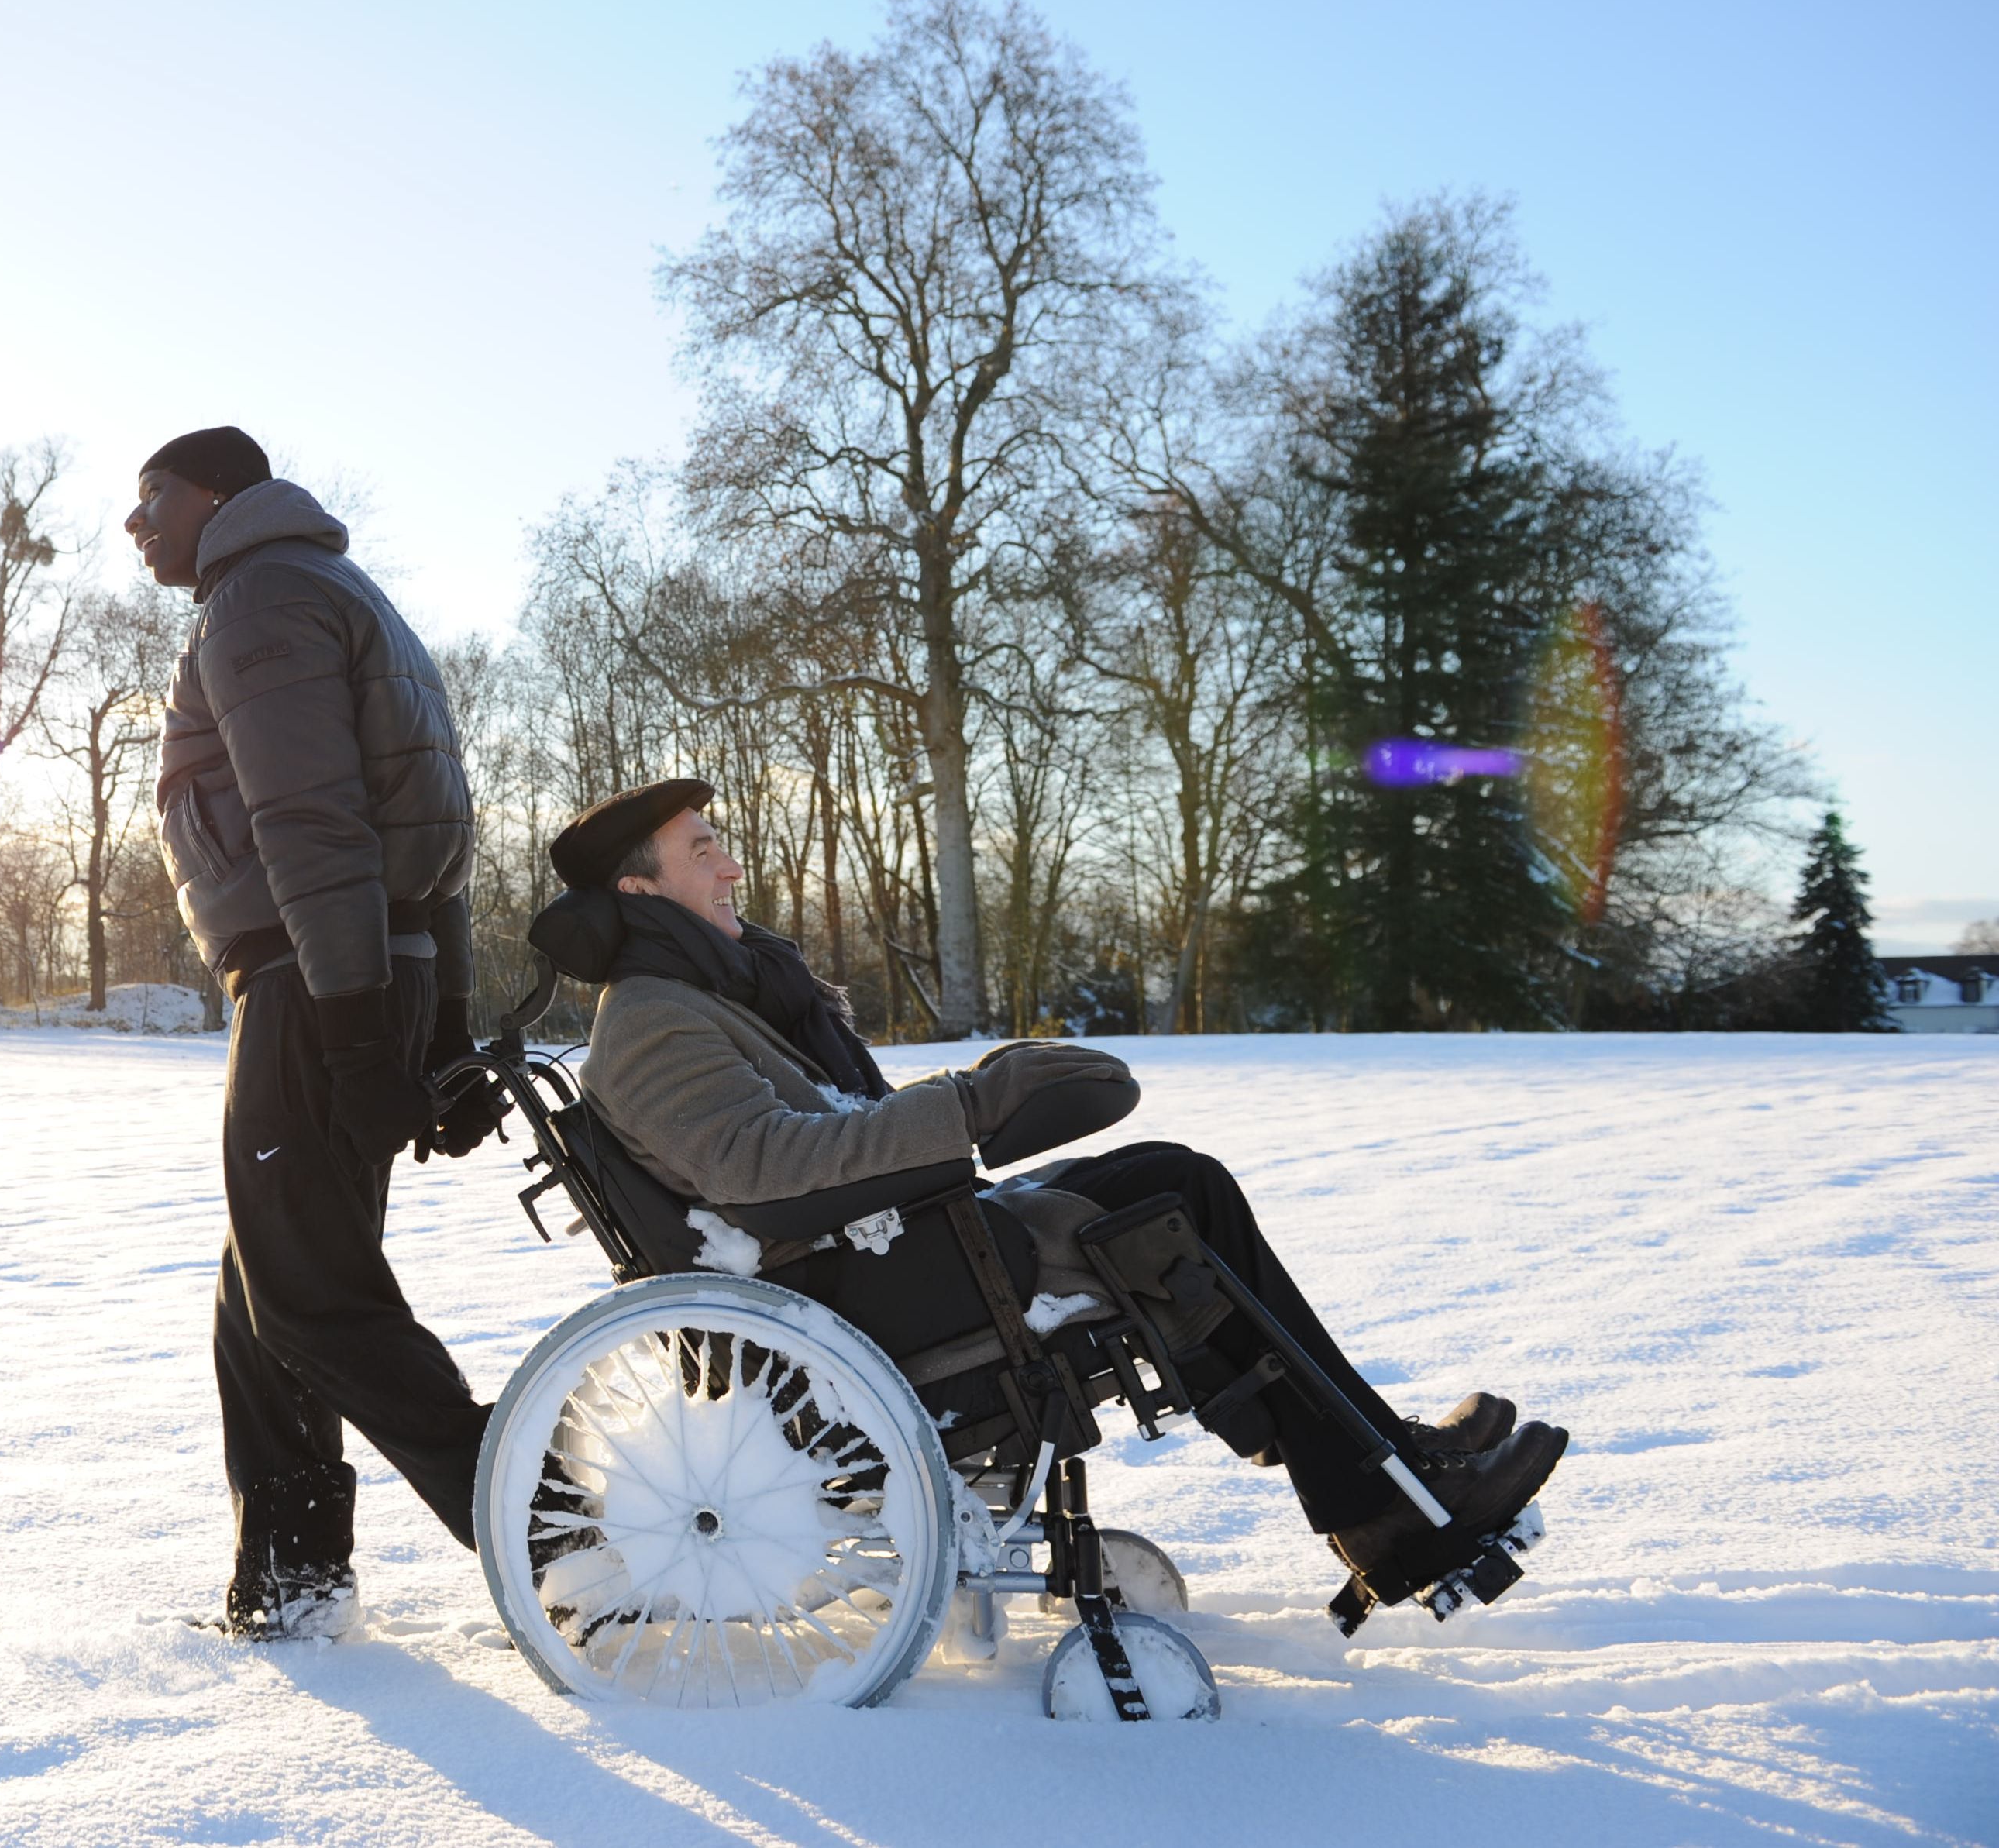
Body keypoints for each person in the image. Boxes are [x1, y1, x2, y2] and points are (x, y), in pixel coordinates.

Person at [528, 776, 1568, 1597]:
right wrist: (969, 1108)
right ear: (638, 889)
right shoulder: (654, 1016)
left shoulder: (721, 994)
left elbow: (818, 1139)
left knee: (1177, 1184)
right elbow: (762, 1172)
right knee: (1161, 1213)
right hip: (865, 1294)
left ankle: (1383, 1472)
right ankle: (1385, 1494)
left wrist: (974, 1107)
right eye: (701, 850)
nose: (732, 865)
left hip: (883, 1255)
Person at [124, 425, 508, 1641]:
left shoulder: (260, 603)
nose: (137, 527)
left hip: (310, 980)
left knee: (312, 1295)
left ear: (221, 495)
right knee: (263, 1289)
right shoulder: (341, 591)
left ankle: (562, 1538)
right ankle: (289, 1584)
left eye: (154, 499)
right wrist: (434, 1019)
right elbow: (439, 837)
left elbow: (312, 827)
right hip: (347, 975)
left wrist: (351, 1033)